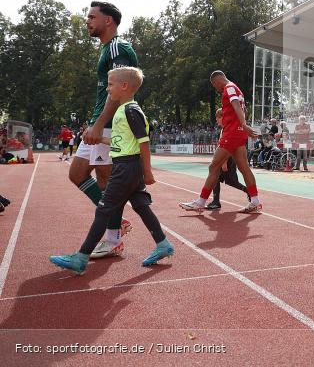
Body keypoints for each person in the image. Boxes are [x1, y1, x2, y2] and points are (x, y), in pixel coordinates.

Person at [50, 67, 173, 274]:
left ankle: (80, 259)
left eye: (110, 85)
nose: (107, 90)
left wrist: (148, 172)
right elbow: (123, 142)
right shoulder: (123, 111)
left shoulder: (130, 110)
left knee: (103, 210)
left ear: (124, 86)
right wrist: (101, 139)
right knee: (141, 206)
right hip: (127, 166)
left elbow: (144, 142)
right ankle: (163, 244)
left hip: (126, 168)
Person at [71, 1, 139, 259]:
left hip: (110, 124)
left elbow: (121, 88)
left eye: (91, 16)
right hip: (99, 120)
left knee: (106, 181)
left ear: (108, 20)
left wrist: (100, 124)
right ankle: (115, 222)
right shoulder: (105, 50)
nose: (87, 21)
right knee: (77, 173)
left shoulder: (117, 48)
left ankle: (112, 238)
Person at [179, 71, 262, 214]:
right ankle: (255, 201)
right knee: (244, 168)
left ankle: (200, 202)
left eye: (215, 86)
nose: (217, 89)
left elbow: (235, 104)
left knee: (213, 167)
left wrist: (243, 124)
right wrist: (243, 125)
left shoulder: (228, 87)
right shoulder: (236, 88)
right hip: (238, 132)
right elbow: (241, 107)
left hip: (232, 132)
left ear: (216, 81)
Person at [206, 108, 250, 210]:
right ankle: (247, 190)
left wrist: (224, 162)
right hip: (229, 158)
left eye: (217, 118)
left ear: (222, 118)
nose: (216, 120)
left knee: (215, 175)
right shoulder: (226, 128)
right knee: (230, 181)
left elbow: (227, 146)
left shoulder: (226, 128)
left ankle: (216, 201)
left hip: (227, 158)